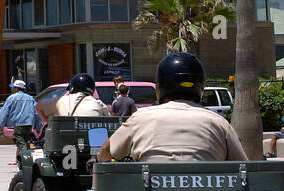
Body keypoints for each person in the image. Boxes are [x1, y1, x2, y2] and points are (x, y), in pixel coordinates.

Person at [99, 52, 247, 163]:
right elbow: (242, 165)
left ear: (160, 87)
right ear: (200, 85)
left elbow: (105, 152)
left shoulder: (140, 118)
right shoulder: (219, 122)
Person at [0, 79, 38, 158]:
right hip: (28, 125)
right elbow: (36, 112)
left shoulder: (11, 98)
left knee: (22, 143)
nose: (12, 89)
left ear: (17, 88)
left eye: (13, 87)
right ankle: (23, 160)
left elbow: (3, 112)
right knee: (26, 141)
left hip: (18, 125)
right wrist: (37, 126)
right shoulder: (30, 98)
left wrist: (0, 124)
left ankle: (26, 159)